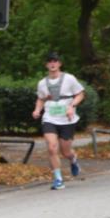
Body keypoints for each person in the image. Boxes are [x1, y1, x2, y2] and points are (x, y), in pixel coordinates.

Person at [32, 51, 85, 190]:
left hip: (67, 119)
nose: (52, 64)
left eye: (55, 61)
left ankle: (73, 160)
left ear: (59, 64)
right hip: (49, 118)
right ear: (46, 65)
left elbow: (80, 94)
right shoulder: (42, 83)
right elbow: (41, 98)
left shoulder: (69, 79)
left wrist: (72, 106)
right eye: (49, 61)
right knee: (51, 147)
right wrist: (37, 110)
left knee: (66, 152)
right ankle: (58, 179)